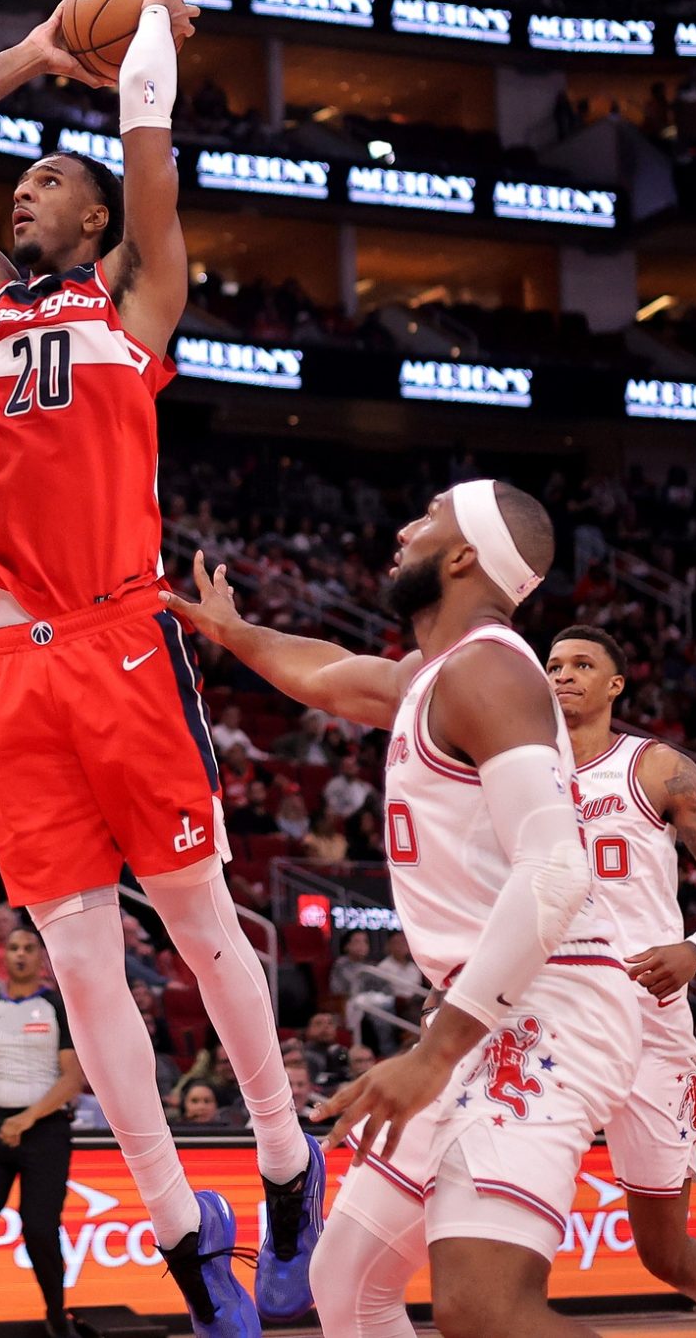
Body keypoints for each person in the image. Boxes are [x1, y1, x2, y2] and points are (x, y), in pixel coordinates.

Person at [0, 0, 310, 1333]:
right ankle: (187, 1235)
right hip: (5, 668)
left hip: (120, 638)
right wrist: (31, 50)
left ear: (96, 217)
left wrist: (141, 34)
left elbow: (146, 130)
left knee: (195, 922)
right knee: (81, 959)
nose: (27, 191)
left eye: (53, 180)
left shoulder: (137, 294)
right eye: (22, 181)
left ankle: (282, 1155)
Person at [165, 481, 634, 1338]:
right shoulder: (437, 674)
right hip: (478, 1008)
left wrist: (434, 1053)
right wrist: (234, 633)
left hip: (547, 1006)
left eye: (430, 519)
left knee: (481, 1308)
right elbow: (334, 675)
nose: (405, 527)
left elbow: (558, 869)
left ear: (462, 557)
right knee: (345, 1282)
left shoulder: (491, 666)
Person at [547, 626, 696, 1338]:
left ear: (616, 684)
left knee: (661, 1251)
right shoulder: (520, 769)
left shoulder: (655, 765)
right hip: (556, 1016)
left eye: (583, 664)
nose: (564, 674)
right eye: (553, 663)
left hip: (649, 1017)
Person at [0, 926, 85, 1338]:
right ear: (2, 957)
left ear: (41, 959)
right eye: (13, 948)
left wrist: (27, 1119)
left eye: (28, 948)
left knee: (40, 1229)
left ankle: (57, 1317)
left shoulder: (57, 1006)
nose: (21, 954)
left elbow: (72, 1079)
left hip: (45, 1131)